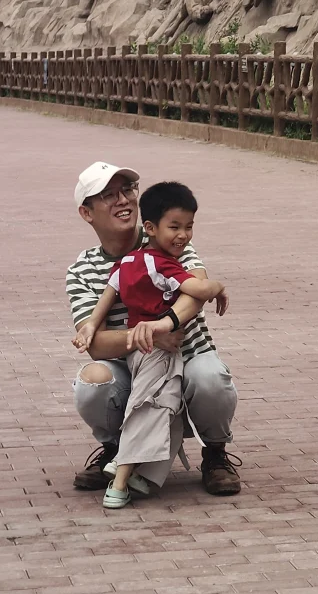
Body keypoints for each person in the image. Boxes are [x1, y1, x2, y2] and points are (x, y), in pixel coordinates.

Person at [66, 160, 241, 496]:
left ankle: (215, 453)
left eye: (127, 190)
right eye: (108, 195)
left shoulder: (169, 238)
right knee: (92, 383)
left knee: (211, 378)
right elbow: (97, 344)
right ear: (87, 213)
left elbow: (196, 292)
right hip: (129, 365)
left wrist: (163, 324)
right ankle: (117, 449)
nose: (122, 200)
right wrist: (148, 336)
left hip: (187, 353)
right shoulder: (82, 270)